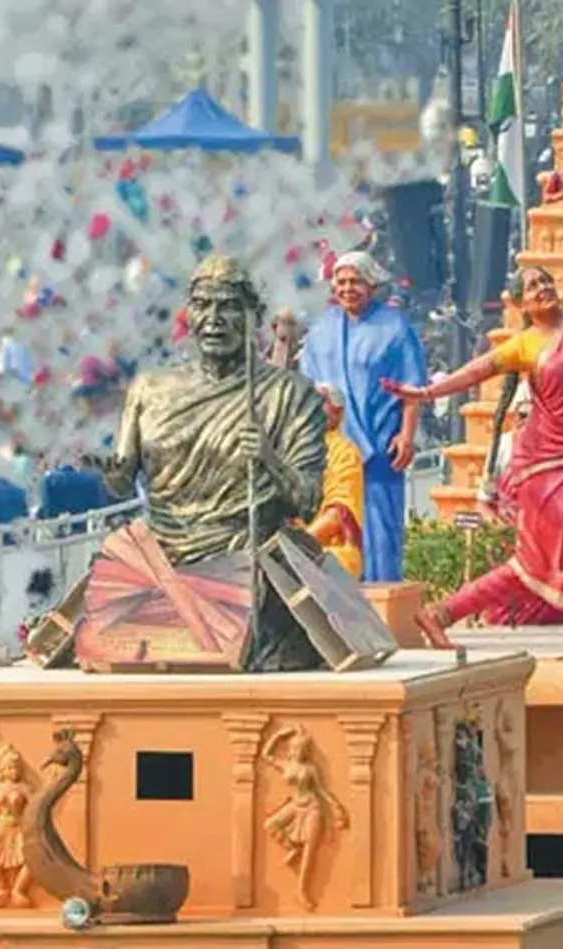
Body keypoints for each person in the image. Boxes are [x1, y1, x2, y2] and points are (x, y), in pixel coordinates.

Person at [382, 173, 563, 653]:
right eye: (532, 287)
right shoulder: (524, 345)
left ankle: (440, 614)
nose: (543, 289)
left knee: (543, 560)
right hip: (547, 465)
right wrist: (425, 394)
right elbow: (473, 372)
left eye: (546, 281)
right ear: (519, 304)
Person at [101, 255, 329, 671]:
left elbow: (309, 501)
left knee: (260, 616)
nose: (213, 319)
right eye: (202, 305)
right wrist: (111, 473)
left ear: (255, 316)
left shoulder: (290, 395)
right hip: (163, 559)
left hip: (244, 561)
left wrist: (268, 459)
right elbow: (121, 481)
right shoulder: (150, 389)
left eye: (227, 306)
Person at [298, 250, 426, 583]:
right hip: (331, 452)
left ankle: (381, 602)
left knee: (381, 531)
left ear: (371, 285)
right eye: (341, 282)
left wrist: (407, 435)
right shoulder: (321, 329)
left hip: (379, 446)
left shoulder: (395, 327)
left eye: (356, 281)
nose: (348, 288)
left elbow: (412, 387)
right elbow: (305, 389)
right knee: (333, 525)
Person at [304, 383, 365, 579]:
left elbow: (337, 516)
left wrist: (300, 545)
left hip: (330, 550)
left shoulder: (345, 453)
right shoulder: (293, 448)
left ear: (337, 412)